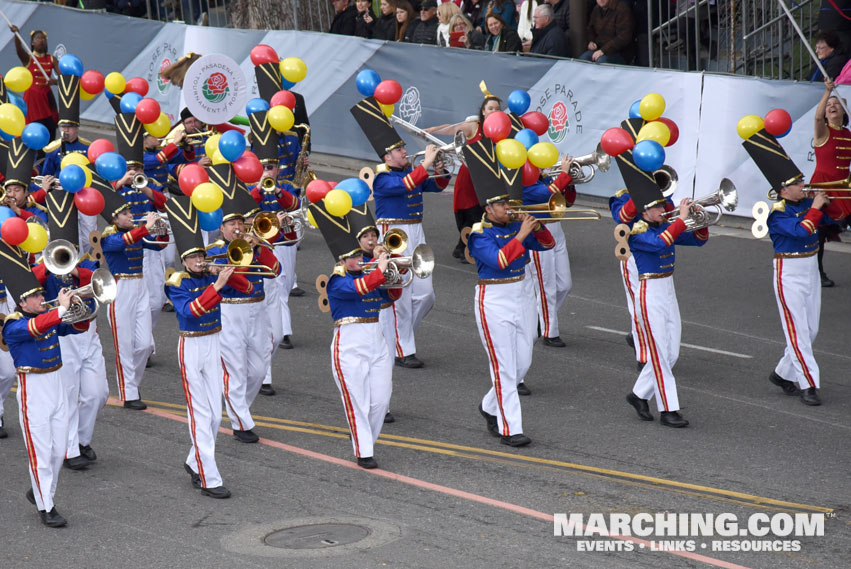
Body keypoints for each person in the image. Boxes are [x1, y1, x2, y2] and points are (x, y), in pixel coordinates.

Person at [463, 135, 555, 447]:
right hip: (495, 299)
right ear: (489, 207)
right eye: (503, 204)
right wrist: (524, 232)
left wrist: (537, 226)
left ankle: (489, 406)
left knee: (522, 363)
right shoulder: (480, 235)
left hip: (522, 295)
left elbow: (547, 245)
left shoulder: (517, 226)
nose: (509, 208)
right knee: (503, 366)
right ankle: (509, 427)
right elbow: (500, 261)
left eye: (510, 202)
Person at [351, 96, 450, 369]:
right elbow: (409, 184)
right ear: (386, 157)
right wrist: (426, 163)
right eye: (398, 149)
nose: (405, 151)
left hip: (416, 231)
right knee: (401, 297)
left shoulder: (412, 171)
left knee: (426, 294)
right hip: (394, 233)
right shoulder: (383, 179)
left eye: (403, 147)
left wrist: (440, 169)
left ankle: (397, 337)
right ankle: (403, 348)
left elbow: (437, 186)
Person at [164, 195, 253, 498]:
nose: (199, 262)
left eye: (201, 256)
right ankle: (208, 478)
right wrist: (215, 286)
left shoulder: (210, 274)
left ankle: (193, 461)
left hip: (213, 342)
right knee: (200, 416)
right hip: (191, 346)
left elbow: (249, 287)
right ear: (184, 261)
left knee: (215, 415)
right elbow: (190, 312)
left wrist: (226, 272)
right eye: (193, 259)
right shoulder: (177, 282)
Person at [618, 147, 709, 428]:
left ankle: (637, 395)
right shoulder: (639, 232)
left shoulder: (664, 226)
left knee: (671, 352)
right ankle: (669, 409)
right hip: (650, 291)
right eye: (658, 207)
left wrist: (699, 219)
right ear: (645, 210)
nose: (663, 209)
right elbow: (660, 244)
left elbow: (697, 241)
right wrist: (681, 219)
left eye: (663, 206)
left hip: (667, 288)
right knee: (659, 351)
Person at [0, 242, 90, 528]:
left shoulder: (47, 316)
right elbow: (35, 328)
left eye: (41, 294)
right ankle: (45, 505)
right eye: (36, 297)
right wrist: (60, 310)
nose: (42, 298)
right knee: (41, 451)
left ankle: (39, 491)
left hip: (56, 381)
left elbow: (77, 327)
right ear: (22, 303)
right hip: (34, 388)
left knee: (58, 448)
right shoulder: (13, 324)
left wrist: (80, 307)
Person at [309, 198, 401, 469]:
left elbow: (394, 294)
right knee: (357, 401)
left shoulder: (369, 272)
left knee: (380, 401)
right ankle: (363, 450)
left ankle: (364, 441)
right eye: (353, 257)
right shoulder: (337, 281)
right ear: (342, 259)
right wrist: (379, 270)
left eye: (360, 256)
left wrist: (394, 269)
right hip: (349, 343)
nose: (359, 260)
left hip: (376, 338)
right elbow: (359, 289)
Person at [743, 122, 828, 406]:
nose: (803, 187)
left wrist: (829, 205)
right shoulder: (776, 214)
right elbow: (802, 230)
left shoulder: (806, 204)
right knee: (798, 332)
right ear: (784, 189)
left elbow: (830, 221)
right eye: (798, 184)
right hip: (789, 272)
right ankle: (808, 384)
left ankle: (782, 374)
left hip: (810, 268)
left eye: (802, 182)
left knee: (811, 329)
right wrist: (816, 208)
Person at [33, 189, 109, 471]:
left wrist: (75, 270)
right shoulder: (43, 269)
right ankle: (69, 449)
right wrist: (49, 267)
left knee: (97, 393)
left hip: (88, 334)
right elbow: (31, 284)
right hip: (63, 337)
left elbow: (102, 280)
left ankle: (81, 439)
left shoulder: (84, 263)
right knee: (68, 394)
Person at [206, 172, 280, 443]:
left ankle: (240, 410)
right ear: (222, 229)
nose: (237, 228)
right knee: (235, 369)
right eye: (231, 224)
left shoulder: (258, 245)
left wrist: (260, 248)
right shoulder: (214, 250)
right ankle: (240, 423)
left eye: (240, 222)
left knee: (259, 370)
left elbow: (275, 271)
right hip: (229, 312)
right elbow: (226, 279)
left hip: (258, 310)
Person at [99, 184, 166, 410]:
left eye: (129, 213)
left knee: (145, 344)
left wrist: (160, 226)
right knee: (124, 345)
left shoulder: (136, 233)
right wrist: (146, 227)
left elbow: (160, 245)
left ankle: (132, 385)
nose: (130, 216)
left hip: (140, 285)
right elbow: (123, 242)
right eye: (125, 214)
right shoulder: (109, 238)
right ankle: (128, 393)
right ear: (115, 219)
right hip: (120, 290)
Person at [523, 154, 576, 350]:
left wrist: (570, 182)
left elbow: (568, 201)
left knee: (565, 285)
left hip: (557, 230)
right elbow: (545, 195)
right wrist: (564, 174)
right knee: (546, 286)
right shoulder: (523, 183)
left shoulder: (546, 178)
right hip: (539, 232)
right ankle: (549, 331)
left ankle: (540, 317)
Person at [810, 78, 851, 287]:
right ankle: (817, 273)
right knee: (819, 235)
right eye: (828, 106)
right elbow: (817, 117)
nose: (831, 106)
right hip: (824, 188)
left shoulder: (848, 135)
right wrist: (827, 92)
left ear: (844, 111)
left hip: (844, 189)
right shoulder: (823, 132)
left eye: (835, 103)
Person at [8, 26, 59, 138]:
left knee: (51, 127)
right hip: (32, 98)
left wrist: (54, 81)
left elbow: (64, 81)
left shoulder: (52, 59)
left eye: (43, 39)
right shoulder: (28, 58)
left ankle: (50, 153)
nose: (41, 41)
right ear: (32, 43)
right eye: (38, 38)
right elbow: (19, 49)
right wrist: (16, 35)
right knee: (33, 128)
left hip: (46, 98)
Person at [580, 0, 635, 64]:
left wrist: (603, 50)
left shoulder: (622, 9)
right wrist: (591, 41)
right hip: (599, 49)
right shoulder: (597, 8)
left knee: (601, 62)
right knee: (582, 60)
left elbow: (624, 37)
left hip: (620, 53)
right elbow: (590, 28)